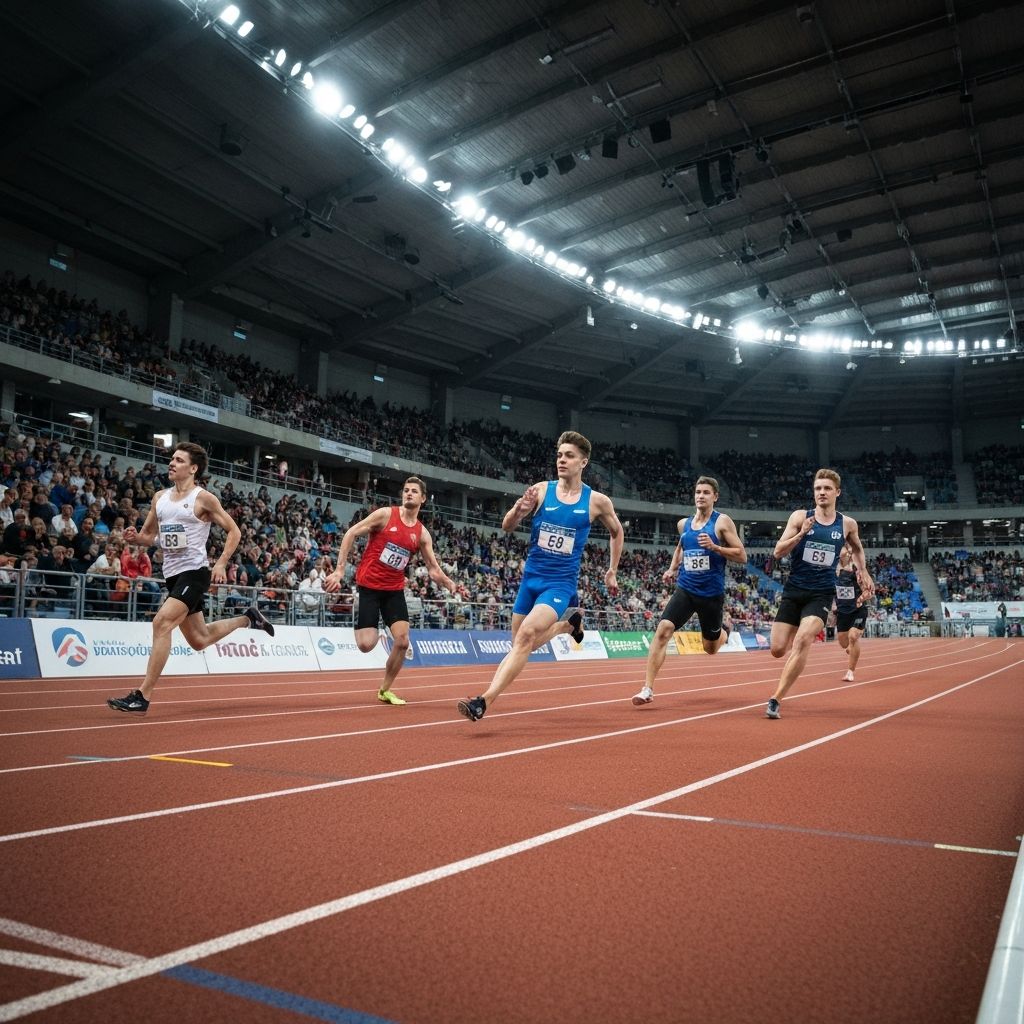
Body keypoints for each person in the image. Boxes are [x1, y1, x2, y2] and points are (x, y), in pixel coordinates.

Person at [457, 430, 623, 722]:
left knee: (527, 636)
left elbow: (617, 532)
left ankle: (483, 701)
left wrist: (612, 570)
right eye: (559, 454)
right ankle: (566, 627)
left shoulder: (596, 501)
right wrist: (519, 512)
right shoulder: (541, 491)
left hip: (559, 584)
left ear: (583, 462)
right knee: (521, 645)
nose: (562, 460)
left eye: (569, 455)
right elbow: (507, 525)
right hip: (530, 581)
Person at [107, 442, 274, 714]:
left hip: (195, 573)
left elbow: (234, 532)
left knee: (161, 623)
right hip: (172, 576)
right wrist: (136, 538)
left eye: (179, 460)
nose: (172, 463)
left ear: (193, 468)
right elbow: (149, 536)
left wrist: (220, 564)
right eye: (172, 459)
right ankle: (248, 618)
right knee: (200, 639)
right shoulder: (159, 498)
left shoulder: (203, 498)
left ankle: (142, 696)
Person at [323, 475, 456, 705]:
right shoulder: (385, 515)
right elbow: (351, 533)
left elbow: (433, 569)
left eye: (414, 491)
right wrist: (339, 570)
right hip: (369, 587)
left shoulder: (422, 534)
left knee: (403, 641)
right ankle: (381, 627)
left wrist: (448, 582)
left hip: (393, 590)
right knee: (366, 644)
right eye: (406, 490)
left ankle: (384, 690)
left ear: (423, 498)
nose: (409, 493)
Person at [765, 468, 873, 719]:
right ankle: (790, 658)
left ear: (837, 492)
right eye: (817, 488)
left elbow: (857, 549)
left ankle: (776, 698)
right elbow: (778, 552)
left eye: (826, 488)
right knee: (777, 649)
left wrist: (863, 571)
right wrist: (802, 533)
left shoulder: (846, 524)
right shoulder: (800, 516)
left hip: (822, 593)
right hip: (794, 591)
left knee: (803, 639)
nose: (821, 492)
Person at [631, 476, 745, 706]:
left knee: (710, 648)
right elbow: (681, 546)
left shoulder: (722, 523)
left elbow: (742, 555)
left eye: (705, 492)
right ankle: (647, 688)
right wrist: (672, 568)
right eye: (697, 492)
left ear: (715, 497)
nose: (700, 496)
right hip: (686, 588)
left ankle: (723, 633)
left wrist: (715, 547)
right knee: (663, 629)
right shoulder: (684, 524)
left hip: (711, 594)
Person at [834, 545, 868, 681]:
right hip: (842, 612)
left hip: (858, 610)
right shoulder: (832, 570)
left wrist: (860, 599)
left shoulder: (857, 570)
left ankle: (850, 672)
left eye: (850, 550)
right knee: (844, 643)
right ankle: (850, 647)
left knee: (853, 637)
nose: (848, 552)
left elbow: (869, 590)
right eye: (845, 549)